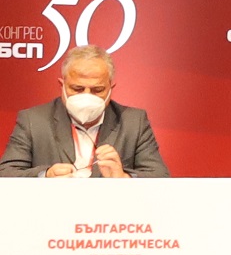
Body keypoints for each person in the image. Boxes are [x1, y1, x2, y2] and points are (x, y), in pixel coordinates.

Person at [0, 45, 170, 178]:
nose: (87, 96)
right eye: (77, 88)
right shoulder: (33, 120)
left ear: (111, 88)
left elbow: (160, 177)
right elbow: (6, 173)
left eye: (97, 90)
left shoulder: (133, 122)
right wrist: (46, 175)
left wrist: (123, 177)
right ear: (62, 85)